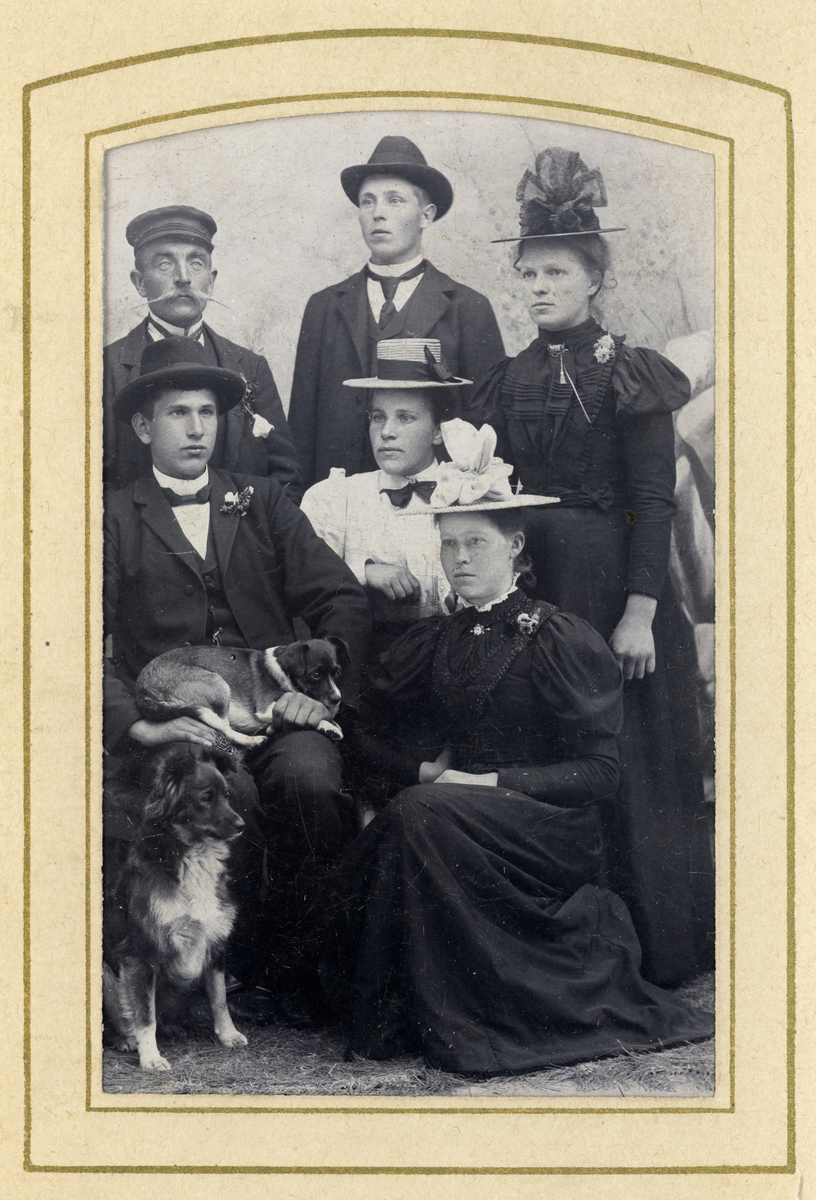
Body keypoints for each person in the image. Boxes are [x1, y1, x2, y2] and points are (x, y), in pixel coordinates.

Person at [325, 429, 713, 1076]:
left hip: (549, 830)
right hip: (457, 815)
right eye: (448, 544)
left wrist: (490, 784)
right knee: (419, 808)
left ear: (515, 546)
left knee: (418, 812)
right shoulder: (435, 639)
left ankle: (409, 1016)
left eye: (476, 543)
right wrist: (423, 771)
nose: (460, 559)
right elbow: (364, 726)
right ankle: (398, 1009)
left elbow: (600, 774)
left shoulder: (557, 637)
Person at [465, 147, 714, 985]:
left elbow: (654, 499)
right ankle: (566, 950)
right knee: (555, 748)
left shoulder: (631, 374)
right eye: (529, 274)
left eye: (558, 272)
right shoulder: (509, 380)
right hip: (542, 590)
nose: (539, 288)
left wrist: (641, 610)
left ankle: (657, 949)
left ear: (594, 280)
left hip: (615, 590)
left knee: (630, 757)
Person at [103, 335, 371, 1018]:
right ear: (143, 427)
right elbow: (67, 635)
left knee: (311, 780)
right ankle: (231, 972)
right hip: (177, 721)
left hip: (274, 706)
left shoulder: (263, 500)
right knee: (227, 793)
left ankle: (301, 973)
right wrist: (135, 723)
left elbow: (340, 597)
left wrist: (319, 692)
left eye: (207, 413)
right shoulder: (113, 514)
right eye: (177, 413)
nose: (197, 428)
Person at [287, 136, 506, 495]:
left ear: (426, 215)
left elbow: (486, 429)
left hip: (435, 503)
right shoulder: (323, 307)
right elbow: (300, 429)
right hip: (340, 504)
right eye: (367, 201)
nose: (378, 213)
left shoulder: (467, 307)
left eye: (394, 200)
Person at [103, 205, 302, 495]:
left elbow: (286, 480)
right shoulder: (104, 369)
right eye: (165, 264)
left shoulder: (250, 366)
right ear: (140, 283)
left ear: (211, 280)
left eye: (196, 263)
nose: (183, 277)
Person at [300, 338, 466, 656]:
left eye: (405, 418)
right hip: (364, 660)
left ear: (438, 431)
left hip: (452, 657)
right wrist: (365, 572)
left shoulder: (468, 493)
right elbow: (304, 581)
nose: (387, 432)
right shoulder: (336, 497)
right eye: (378, 417)